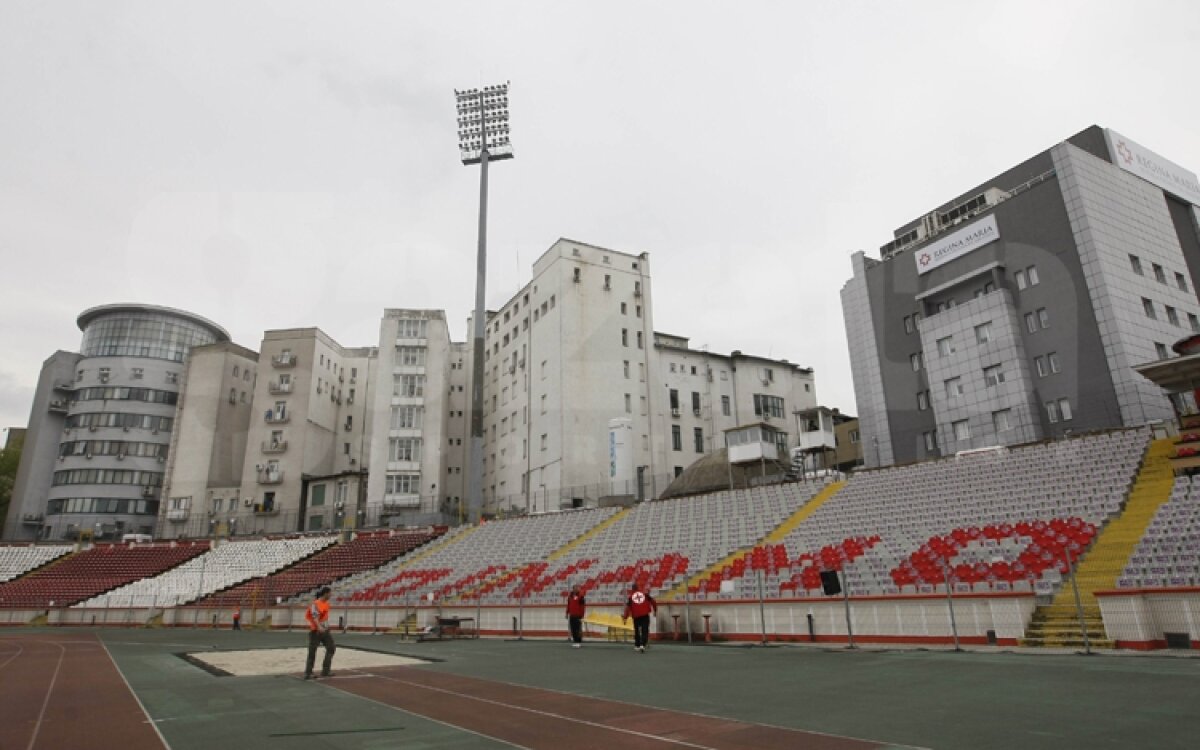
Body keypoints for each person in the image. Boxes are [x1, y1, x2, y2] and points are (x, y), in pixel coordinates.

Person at [304, 586, 335, 679]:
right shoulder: (315, 604)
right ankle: (308, 672)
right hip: (315, 631)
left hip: (325, 630)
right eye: (330, 593)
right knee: (312, 652)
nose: (331, 595)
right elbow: (315, 617)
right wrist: (319, 627)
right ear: (325, 593)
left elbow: (324, 617)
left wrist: (326, 627)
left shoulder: (327, 604)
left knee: (331, 647)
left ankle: (326, 670)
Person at [622, 582, 657, 653]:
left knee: (637, 630)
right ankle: (643, 644)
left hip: (636, 616)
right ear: (638, 587)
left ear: (632, 589)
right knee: (645, 630)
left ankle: (637, 645)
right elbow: (653, 601)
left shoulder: (631, 597)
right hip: (645, 614)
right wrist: (655, 610)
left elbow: (627, 608)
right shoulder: (645, 594)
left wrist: (625, 617)